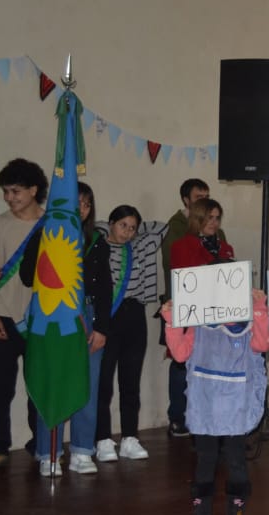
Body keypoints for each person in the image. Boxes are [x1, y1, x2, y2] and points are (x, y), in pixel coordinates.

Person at [162, 289, 269, 515]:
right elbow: (180, 354)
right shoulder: (199, 326)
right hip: (205, 406)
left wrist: (259, 308)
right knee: (205, 461)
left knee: (235, 461)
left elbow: (263, 343)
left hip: (236, 407)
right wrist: (172, 319)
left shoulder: (248, 327)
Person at [0, 158, 46, 469]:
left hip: (41, 319)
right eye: (5, 191)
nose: (9, 198)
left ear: (33, 190)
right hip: (2, 317)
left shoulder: (52, 224)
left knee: (39, 386)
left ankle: (40, 443)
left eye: (15, 191)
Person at [34, 183, 107, 475]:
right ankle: (47, 453)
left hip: (86, 315)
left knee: (87, 384)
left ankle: (82, 450)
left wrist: (101, 328)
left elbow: (104, 288)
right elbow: (28, 275)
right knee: (53, 383)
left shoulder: (96, 240)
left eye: (87, 204)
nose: (82, 209)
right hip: (54, 315)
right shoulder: (45, 233)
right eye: (76, 203)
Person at [94, 205, 157, 464]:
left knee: (130, 381)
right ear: (111, 223)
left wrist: (138, 230)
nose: (128, 232)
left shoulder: (139, 246)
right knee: (103, 383)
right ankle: (102, 439)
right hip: (108, 317)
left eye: (132, 228)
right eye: (123, 225)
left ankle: (130, 437)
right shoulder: (98, 246)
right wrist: (102, 228)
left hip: (135, 316)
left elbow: (160, 228)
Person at [161, 179, 225, 437]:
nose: (214, 223)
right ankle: (179, 416)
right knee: (182, 365)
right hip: (190, 315)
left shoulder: (223, 244)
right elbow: (185, 278)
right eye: (209, 217)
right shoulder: (181, 243)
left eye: (217, 218)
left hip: (218, 316)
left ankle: (210, 416)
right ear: (197, 217)